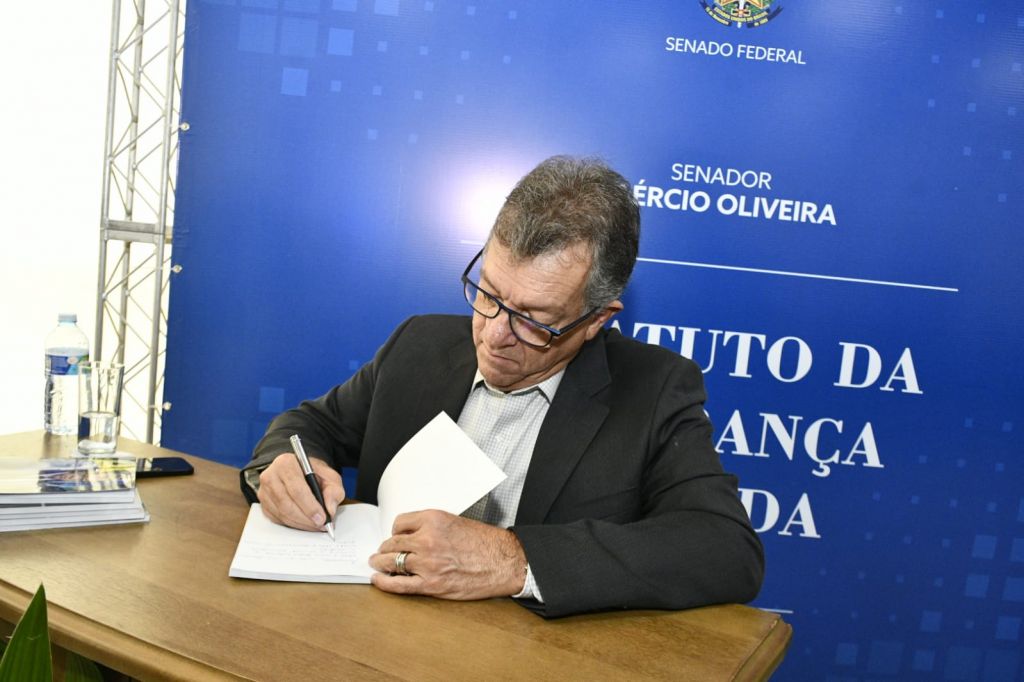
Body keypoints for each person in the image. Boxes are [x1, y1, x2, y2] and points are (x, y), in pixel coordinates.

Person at [240, 155, 764, 618]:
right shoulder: (418, 344)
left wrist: (511, 559)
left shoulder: (654, 391)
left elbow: (726, 549)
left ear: (596, 320)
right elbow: (309, 425)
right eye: (488, 294)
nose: (493, 335)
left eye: (534, 320)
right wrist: (285, 467)